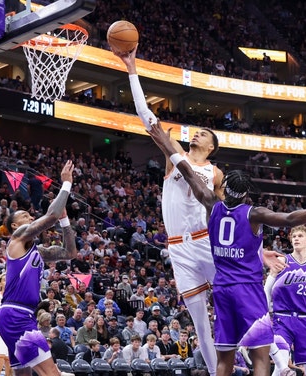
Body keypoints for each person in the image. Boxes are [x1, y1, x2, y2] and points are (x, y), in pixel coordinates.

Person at [146, 121, 306, 376]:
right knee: (261, 357)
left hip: (222, 291)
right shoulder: (253, 214)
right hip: (248, 291)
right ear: (245, 194)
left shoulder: (212, 205)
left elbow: (186, 170)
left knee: (224, 360)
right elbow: (290, 218)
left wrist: (164, 143)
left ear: (224, 188)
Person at [116, 47, 221, 376]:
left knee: (235, 303)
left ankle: (263, 358)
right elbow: (146, 116)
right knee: (200, 324)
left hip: (206, 242)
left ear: (212, 146)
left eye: (204, 133)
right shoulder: (175, 154)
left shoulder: (216, 173)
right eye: (197, 131)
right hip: (178, 247)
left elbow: (223, 213)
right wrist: (132, 69)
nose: (198, 133)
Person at [0, 161, 78, 376]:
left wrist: (65, 220)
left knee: (24, 374)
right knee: (52, 373)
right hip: (16, 313)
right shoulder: (17, 237)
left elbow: (70, 253)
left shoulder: (38, 251)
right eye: (24, 216)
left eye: (30, 216)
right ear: (15, 225)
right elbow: (50, 216)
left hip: (20, 315)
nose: (30, 218)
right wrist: (66, 184)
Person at [265, 225, 306, 376]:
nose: (296, 238)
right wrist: (264, 313)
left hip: (304, 320)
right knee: (281, 362)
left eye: (300, 236)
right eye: (294, 236)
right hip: (282, 318)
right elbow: (267, 289)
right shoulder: (282, 260)